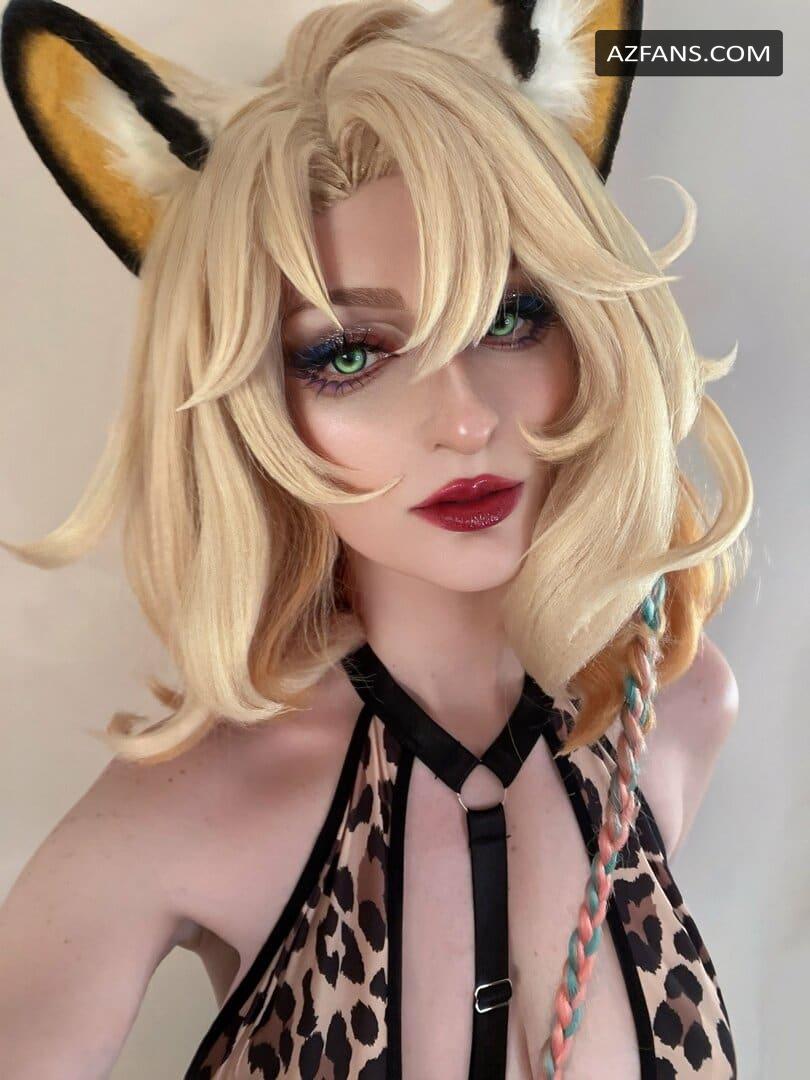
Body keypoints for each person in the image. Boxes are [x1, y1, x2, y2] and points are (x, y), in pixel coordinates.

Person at [0, 0, 752, 1076]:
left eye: (509, 318)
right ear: (252, 404)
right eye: (348, 354)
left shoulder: (675, 707)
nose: (465, 419)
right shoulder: (188, 810)